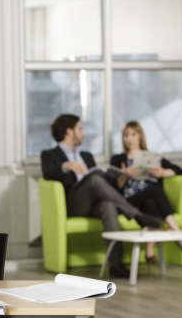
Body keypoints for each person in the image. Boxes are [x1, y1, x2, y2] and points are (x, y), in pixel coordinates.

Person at [41, 114, 161, 278]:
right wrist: (66, 165)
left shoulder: (86, 156)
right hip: (74, 204)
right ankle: (137, 214)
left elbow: (102, 183)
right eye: (80, 129)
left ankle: (116, 264)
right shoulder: (50, 154)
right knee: (95, 179)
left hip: (95, 202)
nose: (83, 133)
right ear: (69, 132)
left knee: (108, 205)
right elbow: (47, 173)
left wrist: (121, 175)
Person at [111, 121, 182, 262]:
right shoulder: (118, 159)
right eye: (126, 135)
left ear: (140, 136)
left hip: (147, 201)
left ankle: (149, 253)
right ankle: (177, 232)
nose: (129, 139)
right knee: (154, 190)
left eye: (133, 134)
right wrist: (126, 175)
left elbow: (178, 169)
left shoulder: (153, 158)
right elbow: (113, 187)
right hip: (128, 201)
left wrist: (163, 172)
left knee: (152, 201)